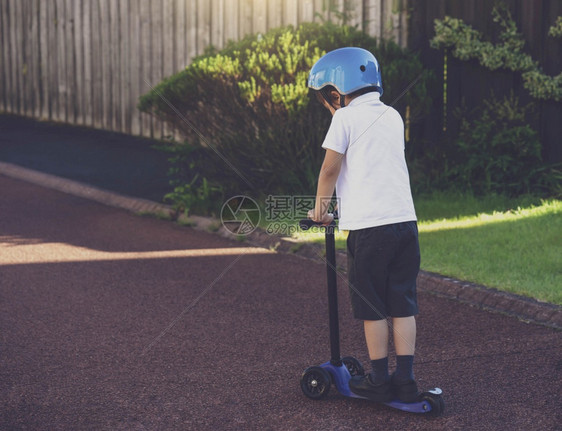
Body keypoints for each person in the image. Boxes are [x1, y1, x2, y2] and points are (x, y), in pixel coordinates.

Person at [307, 47, 420, 403]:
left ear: (335, 92)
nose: (327, 106)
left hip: (370, 230)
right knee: (402, 303)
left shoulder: (344, 118)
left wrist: (320, 211)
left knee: (371, 304)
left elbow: (330, 169)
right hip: (405, 224)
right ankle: (405, 380)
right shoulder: (392, 116)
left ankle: (378, 380)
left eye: (324, 99)